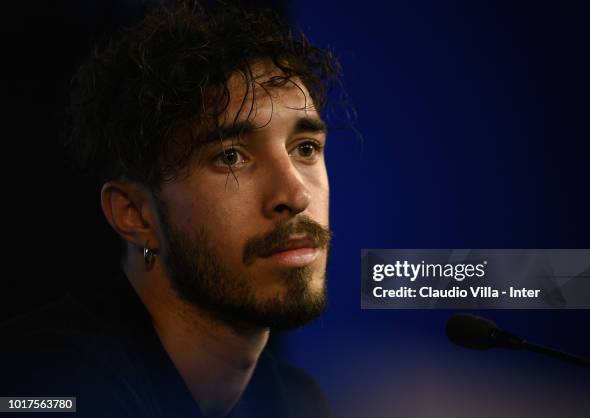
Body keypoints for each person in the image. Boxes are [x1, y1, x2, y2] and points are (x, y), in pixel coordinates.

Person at [0, 2, 339, 417]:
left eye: (306, 148)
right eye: (231, 157)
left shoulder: (296, 401)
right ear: (136, 214)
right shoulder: (47, 385)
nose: (295, 194)